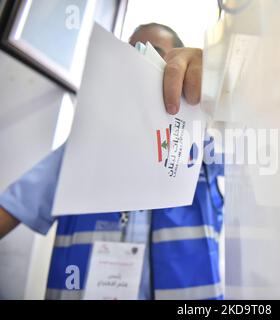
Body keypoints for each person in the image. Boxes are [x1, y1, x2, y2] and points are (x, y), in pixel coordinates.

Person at [0, 23, 224, 300]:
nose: (136, 66)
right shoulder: (82, 148)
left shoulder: (206, 149)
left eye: (152, 55)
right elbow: (10, 210)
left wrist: (221, 84)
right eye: (130, 56)